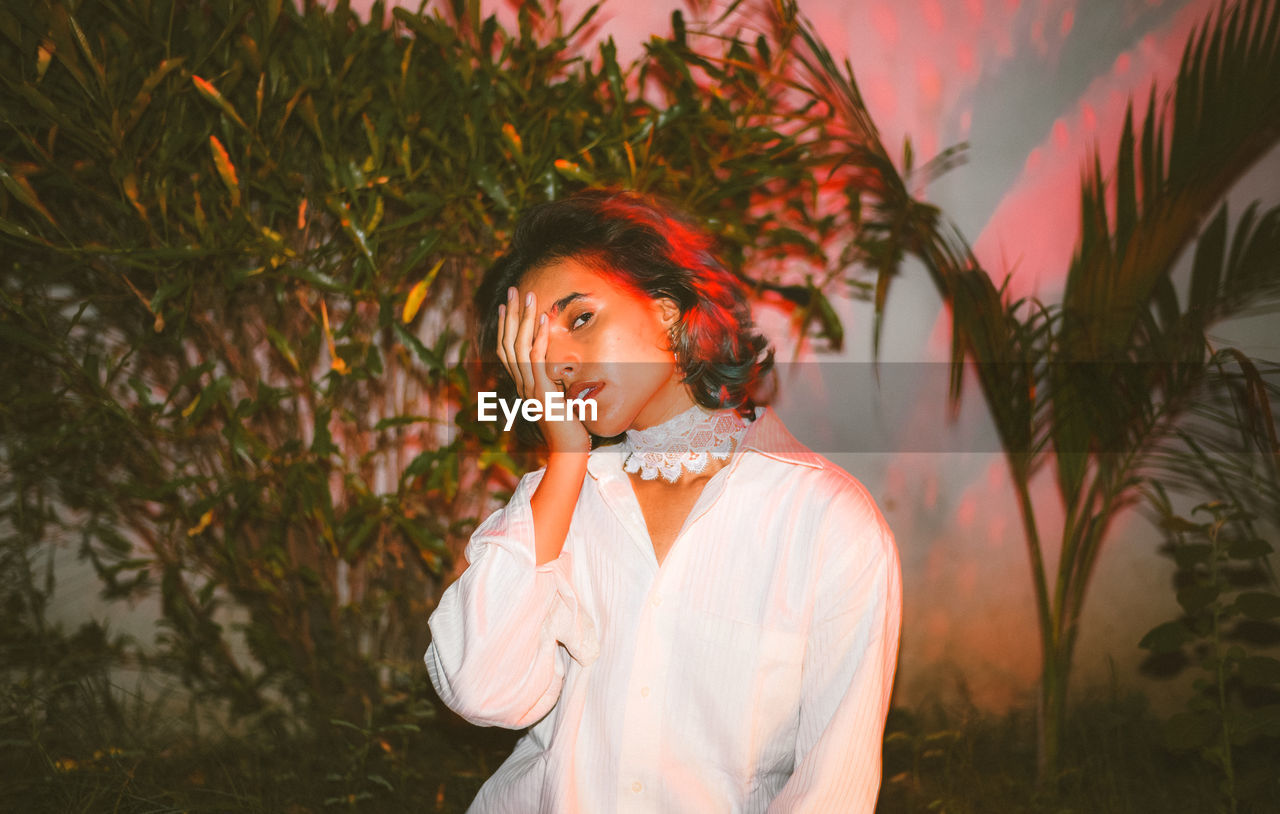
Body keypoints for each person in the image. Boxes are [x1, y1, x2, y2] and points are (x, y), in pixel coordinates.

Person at [425, 189, 902, 813]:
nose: (562, 362)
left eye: (580, 319)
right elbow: (480, 688)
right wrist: (565, 461)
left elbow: (831, 790)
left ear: (669, 312)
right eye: (539, 351)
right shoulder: (561, 502)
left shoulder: (825, 520)